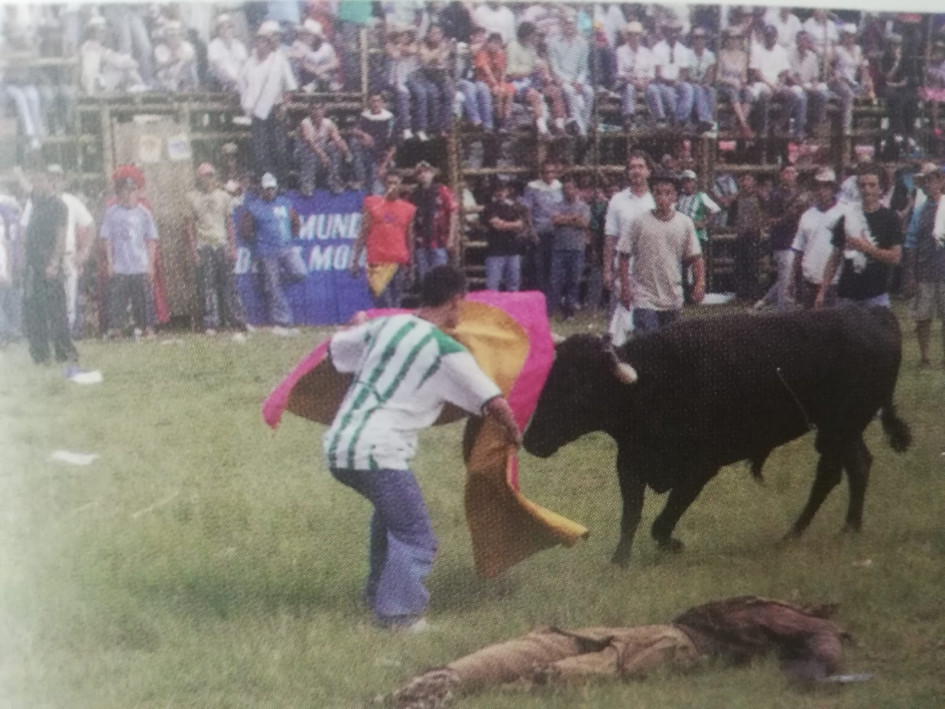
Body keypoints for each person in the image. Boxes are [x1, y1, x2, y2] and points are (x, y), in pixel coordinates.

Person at [324, 264, 521, 631]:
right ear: (457, 301)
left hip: (338, 445)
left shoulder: (386, 325)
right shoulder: (445, 349)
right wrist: (515, 432)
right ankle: (398, 616)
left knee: (390, 518)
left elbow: (336, 346)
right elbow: (493, 401)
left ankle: (375, 594)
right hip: (378, 451)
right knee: (417, 536)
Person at [616, 171, 704, 333]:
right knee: (648, 343)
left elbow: (695, 257)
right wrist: (625, 287)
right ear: (653, 195)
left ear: (674, 196)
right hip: (645, 296)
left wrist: (699, 283)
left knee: (671, 346)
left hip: (672, 295)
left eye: (668, 193)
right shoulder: (638, 222)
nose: (662, 198)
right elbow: (624, 255)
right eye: (658, 193)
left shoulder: (684, 223)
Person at [817, 164, 903, 309]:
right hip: (847, 295)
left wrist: (867, 248)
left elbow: (896, 258)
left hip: (876, 295)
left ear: (880, 189)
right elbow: (834, 257)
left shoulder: (890, 218)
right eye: (863, 185)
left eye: (872, 185)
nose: (867, 190)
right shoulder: (847, 218)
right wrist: (822, 291)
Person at [22, 169, 78, 368]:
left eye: (41, 180)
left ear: (50, 183)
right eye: (35, 180)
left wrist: (54, 262)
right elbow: (26, 187)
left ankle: (64, 351)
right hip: (34, 265)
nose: (37, 184)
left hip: (49, 264)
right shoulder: (37, 203)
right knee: (35, 311)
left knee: (57, 311)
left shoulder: (58, 206)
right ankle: (41, 355)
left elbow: (61, 236)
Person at [185, 163, 247, 335]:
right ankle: (211, 323)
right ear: (199, 178)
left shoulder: (223, 196)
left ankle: (238, 320)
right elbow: (189, 227)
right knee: (208, 286)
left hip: (222, 244)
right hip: (204, 245)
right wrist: (193, 251)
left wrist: (233, 247)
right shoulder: (191, 197)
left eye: (211, 174)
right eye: (205, 175)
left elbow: (229, 223)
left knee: (230, 284)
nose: (208, 178)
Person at [240, 173, 305, 331]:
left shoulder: (284, 203)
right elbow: (245, 228)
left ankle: (277, 281)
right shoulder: (255, 207)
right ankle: (283, 320)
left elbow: (296, 220)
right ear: (261, 189)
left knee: (300, 273)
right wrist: (257, 240)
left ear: (276, 188)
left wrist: (293, 233)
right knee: (274, 289)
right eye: (267, 189)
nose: (270, 191)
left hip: (286, 247)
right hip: (267, 251)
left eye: (272, 188)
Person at [99, 175, 159, 339]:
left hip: (139, 263)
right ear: (120, 192)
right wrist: (110, 262)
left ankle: (147, 328)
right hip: (120, 264)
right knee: (117, 299)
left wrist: (150, 264)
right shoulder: (112, 213)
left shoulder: (144, 213)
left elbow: (152, 239)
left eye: (134, 190)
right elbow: (106, 238)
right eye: (127, 190)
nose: (130, 193)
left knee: (143, 299)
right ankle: (116, 328)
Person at [604, 151, 656, 340]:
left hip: (650, 270)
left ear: (649, 171)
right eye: (632, 167)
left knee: (647, 325)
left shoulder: (657, 200)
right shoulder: (617, 200)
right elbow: (610, 236)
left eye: (641, 167)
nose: (636, 171)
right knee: (617, 325)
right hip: (623, 269)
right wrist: (607, 270)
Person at [240, 21, 298, 182]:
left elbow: (290, 87)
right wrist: (248, 107)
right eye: (259, 41)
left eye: (265, 41)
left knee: (279, 149)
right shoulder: (248, 64)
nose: (262, 45)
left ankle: (282, 185)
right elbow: (243, 88)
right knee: (260, 152)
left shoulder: (279, 61)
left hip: (276, 110)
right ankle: (265, 185)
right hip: (257, 113)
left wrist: (284, 107)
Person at [902, 163, 945, 367]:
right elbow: (911, 242)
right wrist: (910, 274)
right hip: (925, 270)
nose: (928, 184)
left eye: (932, 179)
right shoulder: (919, 211)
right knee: (923, 317)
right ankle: (925, 357)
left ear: (940, 181)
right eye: (925, 181)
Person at [351, 172, 416, 308]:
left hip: (399, 261)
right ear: (384, 185)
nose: (392, 186)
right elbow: (363, 232)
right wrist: (355, 259)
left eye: (395, 183)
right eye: (389, 183)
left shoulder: (408, 209)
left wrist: (411, 264)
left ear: (400, 185)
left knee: (396, 303)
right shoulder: (372, 204)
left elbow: (409, 237)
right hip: (377, 261)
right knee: (382, 302)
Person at [47, 165, 94, 337]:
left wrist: (85, 251)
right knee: (48, 296)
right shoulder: (37, 201)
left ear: (62, 180)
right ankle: (51, 333)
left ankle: (68, 333)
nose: (54, 182)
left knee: (69, 297)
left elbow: (90, 225)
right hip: (45, 258)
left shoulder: (72, 201)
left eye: (57, 178)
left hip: (67, 255)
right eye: (50, 178)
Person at [789, 167, 844, 310]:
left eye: (826, 186)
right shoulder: (807, 215)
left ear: (832, 188)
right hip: (809, 280)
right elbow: (799, 249)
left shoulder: (844, 213)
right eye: (818, 187)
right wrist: (792, 278)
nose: (821, 191)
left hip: (835, 282)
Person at [756, 165, 806, 311]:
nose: (790, 175)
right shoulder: (775, 194)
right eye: (787, 172)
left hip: (799, 238)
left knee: (788, 274)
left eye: (792, 172)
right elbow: (771, 219)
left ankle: (765, 300)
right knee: (786, 275)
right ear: (781, 175)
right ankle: (782, 310)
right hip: (782, 240)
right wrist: (789, 214)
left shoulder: (801, 193)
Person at [547, 176, 590, 319]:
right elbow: (554, 220)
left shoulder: (583, 206)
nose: (567, 191)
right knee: (555, 280)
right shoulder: (556, 205)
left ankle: (569, 311)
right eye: (565, 188)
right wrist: (573, 218)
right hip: (559, 248)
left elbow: (584, 223)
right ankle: (551, 311)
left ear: (576, 190)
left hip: (577, 248)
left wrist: (564, 219)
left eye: (570, 188)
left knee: (573, 280)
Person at [675, 169, 720, 302]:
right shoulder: (680, 198)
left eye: (689, 181)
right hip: (682, 236)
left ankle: (698, 294)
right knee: (683, 266)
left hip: (698, 236)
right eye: (685, 182)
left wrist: (704, 222)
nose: (687, 185)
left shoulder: (701, 196)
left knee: (697, 266)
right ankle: (686, 294)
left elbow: (715, 209)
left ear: (694, 183)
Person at [410, 161, 458, 282]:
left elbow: (453, 212)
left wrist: (451, 238)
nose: (423, 175)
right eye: (420, 173)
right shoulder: (414, 194)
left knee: (440, 275)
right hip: (420, 241)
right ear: (416, 177)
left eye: (426, 171)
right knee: (424, 276)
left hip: (439, 239)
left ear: (432, 173)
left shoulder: (442, 190)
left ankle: (440, 300)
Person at [520, 162, 563, 295]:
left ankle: (552, 298)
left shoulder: (559, 186)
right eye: (546, 172)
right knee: (539, 266)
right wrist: (531, 229)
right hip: (539, 231)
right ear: (541, 173)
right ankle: (538, 295)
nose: (549, 175)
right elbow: (527, 209)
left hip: (556, 231)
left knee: (553, 266)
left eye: (551, 172)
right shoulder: (533, 187)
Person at [483, 181, 531, 292]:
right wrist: (512, 225)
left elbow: (521, 224)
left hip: (513, 250)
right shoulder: (490, 207)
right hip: (495, 251)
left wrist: (504, 224)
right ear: (494, 192)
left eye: (503, 190)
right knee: (492, 284)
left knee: (514, 284)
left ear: (508, 191)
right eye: (498, 190)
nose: (501, 193)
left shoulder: (515, 207)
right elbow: (496, 225)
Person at [296, 102, 352, 196]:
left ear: (323, 111)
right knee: (309, 151)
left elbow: (337, 138)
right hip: (303, 151)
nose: (317, 112)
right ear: (310, 111)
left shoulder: (328, 123)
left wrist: (345, 150)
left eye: (319, 109)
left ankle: (334, 181)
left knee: (335, 147)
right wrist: (323, 156)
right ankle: (307, 185)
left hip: (321, 151)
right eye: (314, 109)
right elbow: (310, 142)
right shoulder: (305, 123)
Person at [348, 94, 397, 194]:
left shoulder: (389, 119)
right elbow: (354, 130)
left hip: (382, 158)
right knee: (354, 142)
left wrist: (383, 166)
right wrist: (364, 134)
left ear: (382, 103)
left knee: (376, 190)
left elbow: (393, 147)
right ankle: (360, 178)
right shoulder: (365, 116)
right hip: (367, 154)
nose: (375, 104)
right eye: (373, 101)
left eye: (378, 101)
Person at [729, 173, 765, 303]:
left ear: (753, 182)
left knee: (752, 266)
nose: (745, 182)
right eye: (743, 180)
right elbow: (732, 215)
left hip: (754, 235)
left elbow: (765, 212)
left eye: (748, 179)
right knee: (740, 266)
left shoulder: (759, 197)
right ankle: (741, 294)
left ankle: (753, 294)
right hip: (740, 234)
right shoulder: (737, 198)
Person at [614, 21, 654, 131]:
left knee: (653, 89)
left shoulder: (646, 52)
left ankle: (659, 120)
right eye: (631, 34)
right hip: (627, 82)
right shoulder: (620, 51)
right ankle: (629, 117)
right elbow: (620, 72)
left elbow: (651, 72)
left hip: (644, 83)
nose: (635, 37)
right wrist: (632, 80)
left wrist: (645, 81)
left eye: (637, 35)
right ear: (627, 36)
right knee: (629, 87)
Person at [715, 27, 754, 137]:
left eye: (737, 39)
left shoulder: (743, 55)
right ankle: (744, 124)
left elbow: (743, 75)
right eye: (731, 38)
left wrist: (743, 81)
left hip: (738, 85)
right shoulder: (721, 54)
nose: (734, 41)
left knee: (748, 93)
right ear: (726, 40)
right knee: (733, 92)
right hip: (724, 84)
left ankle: (740, 125)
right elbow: (717, 77)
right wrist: (731, 82)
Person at [206, 13, 247, 92]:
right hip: (221, 84)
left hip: (239, 83)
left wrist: (240, 80)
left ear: (232, 29)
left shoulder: (239, 45)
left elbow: (244, 65)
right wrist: (234, 80)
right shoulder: (213, 46)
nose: (225, 30)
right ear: (217, 31)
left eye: (228, 27)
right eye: (221, 27)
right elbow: (218, 68)